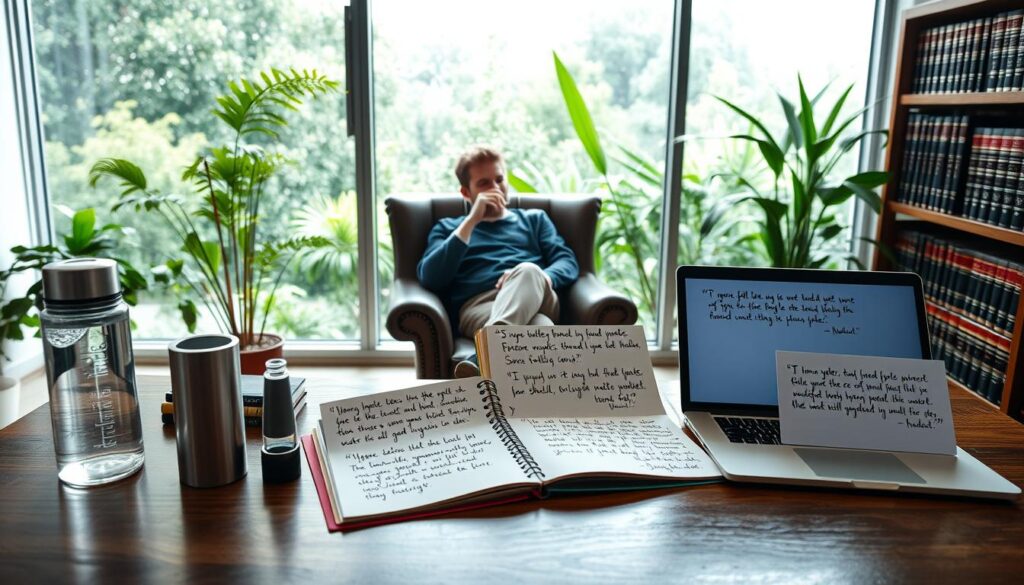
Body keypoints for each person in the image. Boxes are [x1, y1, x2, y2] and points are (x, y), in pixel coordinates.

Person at [417, 146, 580, 377]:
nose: (496, 188)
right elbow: (430, 277)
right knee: (541, 327)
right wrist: (472, 221)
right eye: (484, 183)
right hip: (481, 307)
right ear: (466, 192)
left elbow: (567, 262)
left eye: (500, 179)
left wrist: (539, 277)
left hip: (539, 294)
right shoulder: (449, 228)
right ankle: (528, 410)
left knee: (528, 270)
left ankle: (482, 356)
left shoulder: (534, 220)